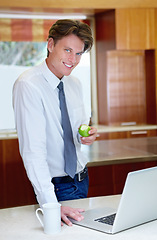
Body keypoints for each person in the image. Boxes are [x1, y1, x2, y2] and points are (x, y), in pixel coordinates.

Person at [13, 19, 97, 226]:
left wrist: (84, 136)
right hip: (56, 186)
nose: (73, 59)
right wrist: (51, 204)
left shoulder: (75, 83)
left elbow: (75, 130)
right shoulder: (28, 85)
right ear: (50, 45)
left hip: (81, 178)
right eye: (67, 50)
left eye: (78, 53)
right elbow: (33, 151)